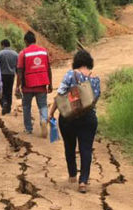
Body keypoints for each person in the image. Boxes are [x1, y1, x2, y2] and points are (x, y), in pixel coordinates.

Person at [48, 50, 101, 194]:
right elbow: (95, 99)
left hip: (69, 117)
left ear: (76, 62)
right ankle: (83, 182)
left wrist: (51, 112)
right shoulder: (95, 78)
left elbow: (60, 94)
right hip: (88, 118)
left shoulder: (71, 74)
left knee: (69, 146)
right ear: (89, 63)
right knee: (86, 149)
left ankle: (72, 174)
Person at [16, 31, 53, 137]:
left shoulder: (23, 53)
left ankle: (28, 129)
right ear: (35, 40)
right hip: (41, 84)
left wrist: (17, 86)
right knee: (42, 105)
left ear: (26, 41)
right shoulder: (43, 51)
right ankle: (43, 120)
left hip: (27, 85)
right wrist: (50, 84)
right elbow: (48, 68)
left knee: (26, 106)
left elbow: (20, 71)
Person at [0, 39, 18, 115]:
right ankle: (8, 109)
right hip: (11, 75)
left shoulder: (0, 54)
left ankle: (4, 102)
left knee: (0, 90)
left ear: (3, 45)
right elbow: (17, 66)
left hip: (2, 75)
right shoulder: (15, 54)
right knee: (9, 91)